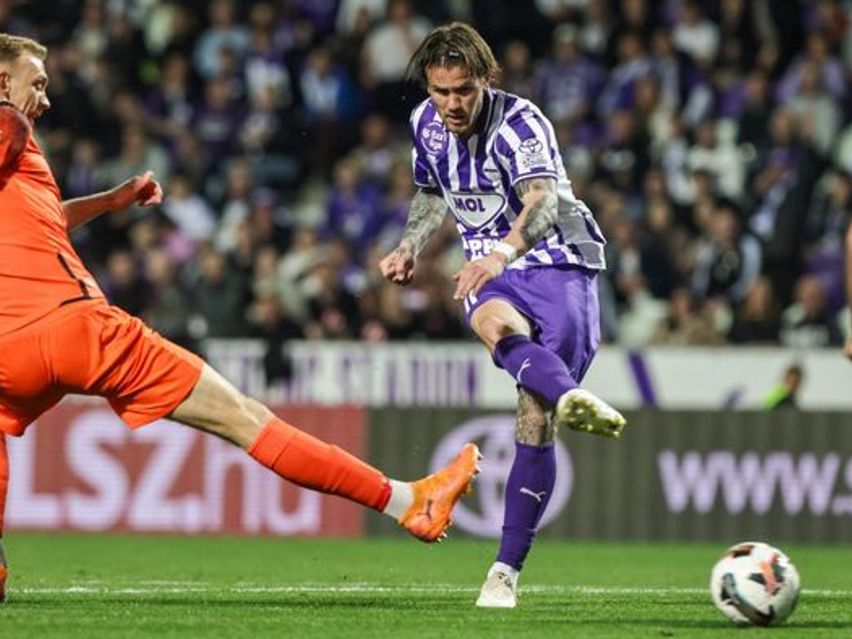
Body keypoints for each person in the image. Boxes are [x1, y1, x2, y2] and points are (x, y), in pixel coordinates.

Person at [0, 33, 480, 604]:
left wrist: (113, 199)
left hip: (9, 353)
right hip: (74, 327)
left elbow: (43, 219)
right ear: (3, 82)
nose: (45, 99)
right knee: (246, 420)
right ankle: (409, 502)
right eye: (37, 84)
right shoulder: (11, 123)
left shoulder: (18, 165)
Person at [380, 23, 626, 609]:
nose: (451, 104)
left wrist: (499, 254)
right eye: (440, 91)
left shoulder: (521, 124)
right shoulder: (425, 124)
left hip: (559, 261)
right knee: (491, 324)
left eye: (463, 90)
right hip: (490, 269)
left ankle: (508, 565)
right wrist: (411, 244)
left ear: (485, 80)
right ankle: (502, 577)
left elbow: (542, 201)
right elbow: (431, 192)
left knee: (534, 416)